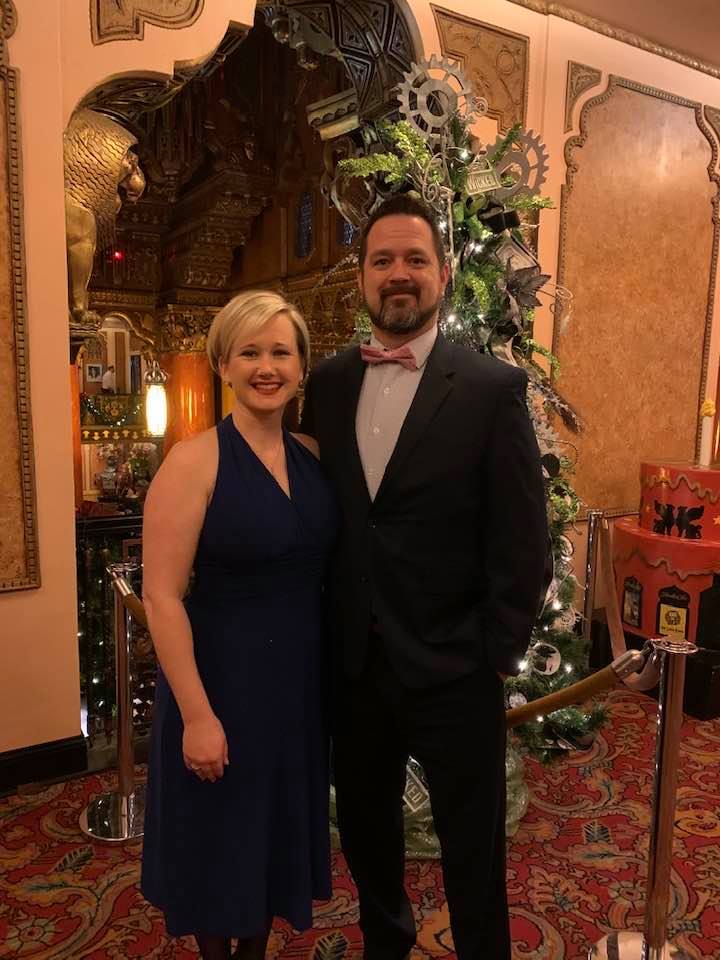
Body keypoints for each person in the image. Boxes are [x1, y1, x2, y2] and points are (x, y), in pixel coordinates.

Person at [299, 194, 548, 960]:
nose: (398, 274)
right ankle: (387, 945)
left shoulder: (491, 388)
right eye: (382, 260)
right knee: (366, 835)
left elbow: (524, 540)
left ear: (443, 273)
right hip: (355, 669)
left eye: (414, 259)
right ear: (362, 278)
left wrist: (496, 653)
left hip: (456, 669)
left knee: (473, 850)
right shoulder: (327, 384)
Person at [141, 290, 338, 960]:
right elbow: (162, 596)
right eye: (249, 352)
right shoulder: (192, 461)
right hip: (219, 684)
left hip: (294, 690)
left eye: (281, 352)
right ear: (223, 364)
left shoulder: (314, 455)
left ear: (301, 366)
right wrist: (198, 717)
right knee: (218, 846)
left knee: (268, 844)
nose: (266, 367)